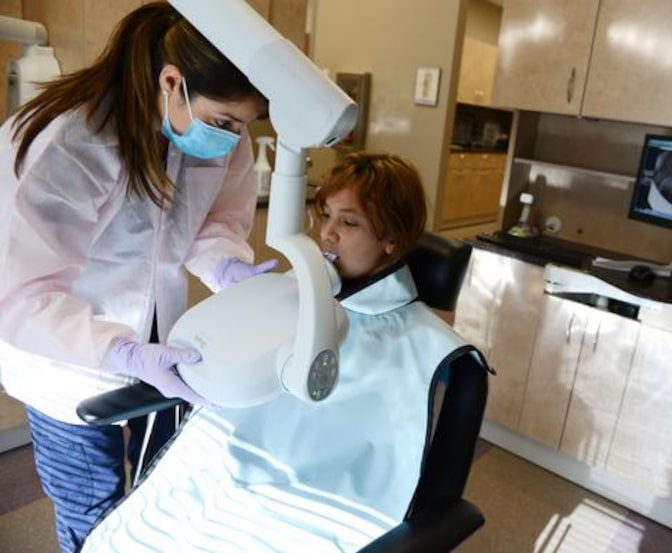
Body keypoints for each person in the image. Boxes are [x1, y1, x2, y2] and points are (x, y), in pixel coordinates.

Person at [80, 152, 489, 552]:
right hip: (219, 476)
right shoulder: (285, 294)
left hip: (313, 509)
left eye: (349, 222)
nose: (327, 234)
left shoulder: (430, 348)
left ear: (392, 240)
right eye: (324, 215)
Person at [0, 3, 277, 551]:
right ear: (171, 82)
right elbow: (21, 294)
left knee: (162, 493)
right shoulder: (70, 143)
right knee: (95, 511)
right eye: (225, 122)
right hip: (65, 366)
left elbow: (212, 221)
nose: (234, 140)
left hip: (160, 343)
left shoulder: (216, 130)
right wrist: (118, 352)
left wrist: (226, 265)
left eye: (243, 126)